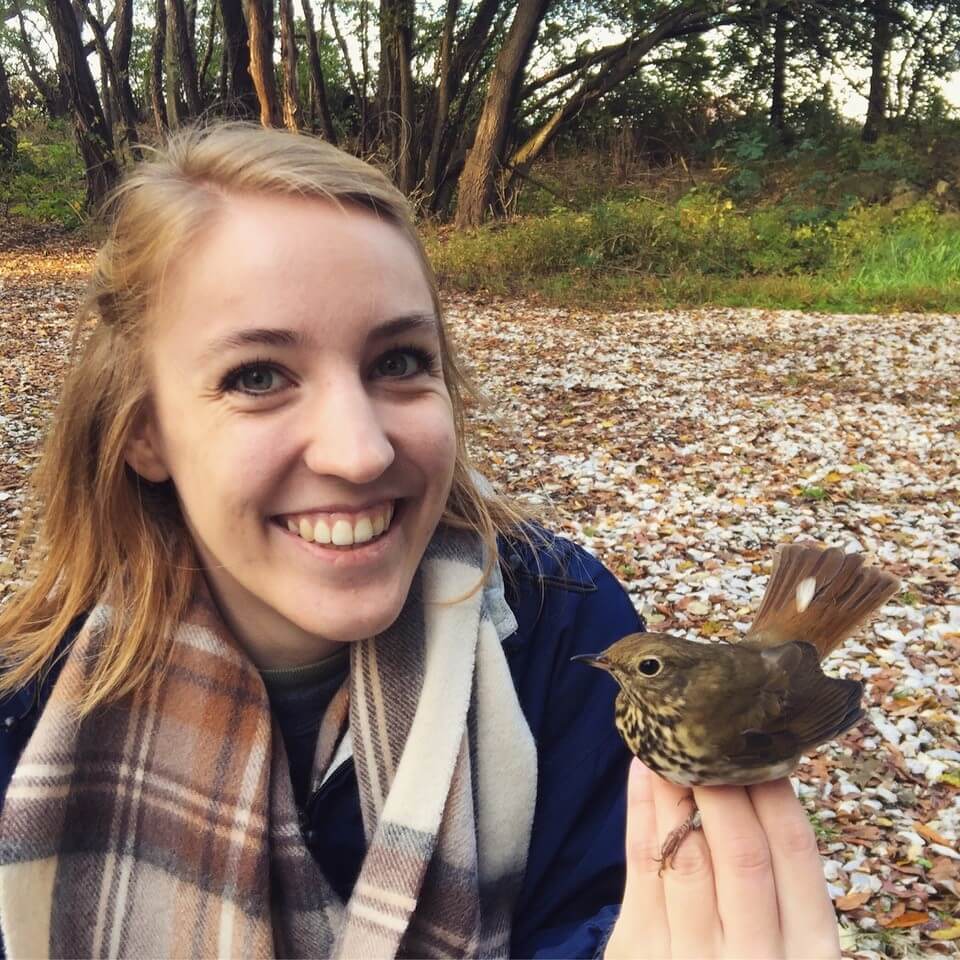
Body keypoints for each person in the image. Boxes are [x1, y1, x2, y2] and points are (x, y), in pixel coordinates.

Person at [0, 121, 841, 959]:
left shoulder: (561, 630)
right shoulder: (26, 711)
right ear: (144, 432)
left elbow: (608, 909)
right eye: (257, 376)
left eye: (399, 361)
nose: (360, 451)